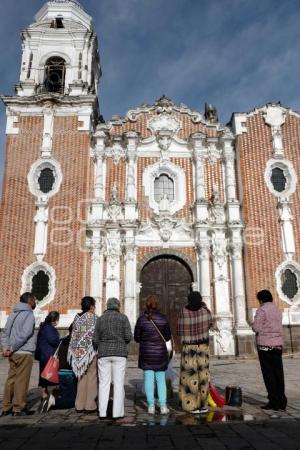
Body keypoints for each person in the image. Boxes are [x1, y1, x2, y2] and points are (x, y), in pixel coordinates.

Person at [94, 297, 132, 419]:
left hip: (103, 353)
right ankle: (117, 413)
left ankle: (102, 412)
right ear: (118, 306)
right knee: (119, 383)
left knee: (103, 383)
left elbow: (95, 339)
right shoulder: (123, 318)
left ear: (107, 306)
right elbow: (128, 337)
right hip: (120, 353)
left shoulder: (100, 319)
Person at [134, 295, 171, 415]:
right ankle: (163, 406)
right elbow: (167, 336)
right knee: (160, 380)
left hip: (146, 353)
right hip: (160, 353)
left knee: (149, 379)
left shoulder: (141, 319)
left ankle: (151, 406)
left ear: (146, 305)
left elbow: (137, 337)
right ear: (157, 305)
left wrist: (145, 340)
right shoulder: (163, 318)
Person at [1, 292, 36, 417]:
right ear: (30, 300)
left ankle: (6, 406)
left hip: (13, 353)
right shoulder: (29, 315)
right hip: (24, 352)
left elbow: (5, 332)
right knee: (22, 380)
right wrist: (11, 347)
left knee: (11, 379)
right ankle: (18, 408)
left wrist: (6, 348)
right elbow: (25, 334)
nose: (35, 303)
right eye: (34, 300)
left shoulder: (13, 314)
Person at [177, 291, 213, 414]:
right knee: (203, 375)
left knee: (189, 376)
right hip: (202, 346)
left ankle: (191, 405)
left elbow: (179, 328)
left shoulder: (183, 311)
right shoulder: (205, 311)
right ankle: (203, 405)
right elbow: (210, 323)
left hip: (189, 347)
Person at [252, 289, 287, 411]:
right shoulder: (277, 310)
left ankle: (274, 401)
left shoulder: (262, 310)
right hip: (278, 345)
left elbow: (256, 327)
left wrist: (253, 324)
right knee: (278, 373)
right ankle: (282, 401)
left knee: (269, 374)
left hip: (265, 345)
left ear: (261, 300)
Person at [68, 296, 97, 413]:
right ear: (91, 306)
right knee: (92, 377)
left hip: (78, 353)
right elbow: (97, 335)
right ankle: (90, 405)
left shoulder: (77, 318)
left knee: (81, 377)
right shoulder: (94, 318)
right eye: (94, 305)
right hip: (91, 353)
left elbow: (73, 333)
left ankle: (79, 404)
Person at [44, 324, 77, 412]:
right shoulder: (75, 342)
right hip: (69, 374)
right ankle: (54, 401)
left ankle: (55, 400)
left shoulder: (62, 341)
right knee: (72, 401)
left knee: (66, 395)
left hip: (60, 373)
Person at [35, 311, 60, 412]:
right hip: (48, 356)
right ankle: (49, 398)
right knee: (51, 378)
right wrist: (60, 339)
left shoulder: (44, 327)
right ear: (54, 320)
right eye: (58, 319)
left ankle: (45, 396)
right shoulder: (49, 328)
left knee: (43, 378)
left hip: (43, 355)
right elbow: (53, 340)